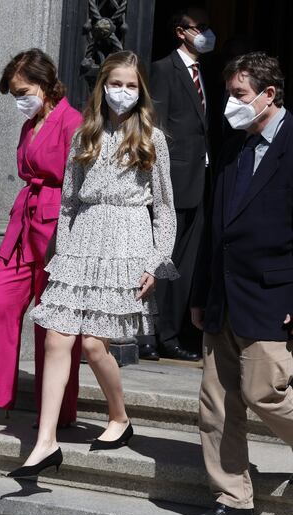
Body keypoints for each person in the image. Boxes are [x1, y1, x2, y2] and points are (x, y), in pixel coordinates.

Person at [7, 50, 178, 478]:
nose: (123, 92)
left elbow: (167, 208)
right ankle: (46, 442)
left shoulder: (152, 139)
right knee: (57, 339)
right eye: (115, 84)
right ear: (102, 86)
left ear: (141, 92)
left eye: (131, 85)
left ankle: (119, 416)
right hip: (81, 240)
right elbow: (66, 204)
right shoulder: (84, 135)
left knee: (93, 344)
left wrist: (157, 261)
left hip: (126, 241)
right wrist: (60, 258)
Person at [188, 52, 293, 515]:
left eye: (239, 95)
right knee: (217, 403)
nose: (231, 104)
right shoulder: (232, 146)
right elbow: (214, 227)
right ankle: (233, 498)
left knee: (264, 392)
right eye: (229, 93)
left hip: (272, 296)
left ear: (269, 95)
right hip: (221, 299)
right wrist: (198, 293)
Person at [0, 48, 82, 426]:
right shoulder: (31, 123)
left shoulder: (73, 121)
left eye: (23, 91)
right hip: (22, 224)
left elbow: (80, 182)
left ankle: (57, 410)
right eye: (14, 94)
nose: (19, 100)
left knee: (52, 321)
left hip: (56, 226)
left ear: (46, 85)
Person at [139, 6, 214, 361]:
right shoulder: (163, 70)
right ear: (180, 32)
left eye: (206, 27)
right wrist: (162, 180)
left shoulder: (204, 73)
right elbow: (159, 129)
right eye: (197, 28)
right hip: (174, 181)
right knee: (163, 260)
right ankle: (152, 334)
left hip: (200, 180)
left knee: (183, 265)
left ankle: (170, 333)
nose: (204, 33)